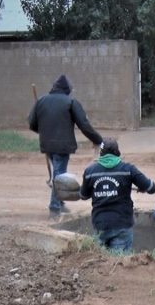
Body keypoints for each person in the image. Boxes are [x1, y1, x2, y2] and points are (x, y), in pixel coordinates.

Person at [28, 74, 103, 218]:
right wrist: (98, 140)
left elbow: (32, 123)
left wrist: (44, 132)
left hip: (47, 145)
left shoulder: (41, 101)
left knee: (58, 172)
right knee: (59, 175)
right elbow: (84, 125)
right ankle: (54, 207)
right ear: (67, 89)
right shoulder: (71, 102)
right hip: (62, 146)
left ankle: (60, 203)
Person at [80, 138, 155, 254]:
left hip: (100, 224)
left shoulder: (90, 171)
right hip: (122, 224)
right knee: (119, 263)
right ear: (117, 152)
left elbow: (83, 195)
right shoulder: (128, 170)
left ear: (101, 153)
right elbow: (151, 188)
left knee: (100, 262)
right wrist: (142, 188)